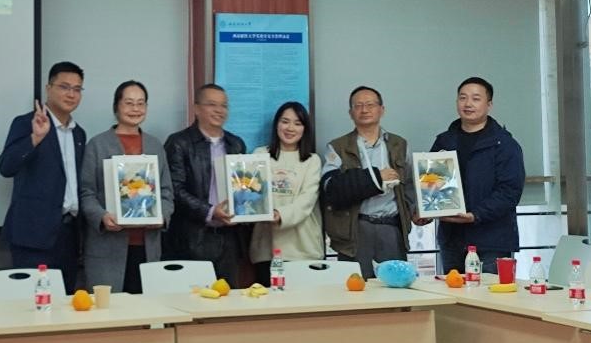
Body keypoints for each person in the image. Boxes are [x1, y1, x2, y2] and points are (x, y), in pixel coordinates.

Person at [0, 61, 86, 293]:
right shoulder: (26, 123)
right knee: (32, 302)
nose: (71, 94)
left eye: (77, 89)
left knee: (65, 303)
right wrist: (35, 139)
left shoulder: (79, 133)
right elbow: (6, 167)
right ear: (48, 88)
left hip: (69, 234)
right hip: (33, 235)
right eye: (64, 87)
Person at [79, 80, 174, 294]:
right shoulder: (97, 144)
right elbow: (86, 192)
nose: (135, 109)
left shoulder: (155, 145)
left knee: (146, 308)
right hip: (107, 247)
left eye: (141, 103)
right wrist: (102, 217)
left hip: (148, 246)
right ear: (116, 106)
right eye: (129, 103)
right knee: (109, 309)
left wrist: (163, 216)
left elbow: (167, 191)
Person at [428, 76, 526, 274]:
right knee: (452, 291)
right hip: (452, 239)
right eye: (462, 98)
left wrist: (476, 215)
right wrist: (425, 209)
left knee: (489, 293)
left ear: (489, 105)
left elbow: (509, 192)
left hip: (492, 241)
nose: (468, 104)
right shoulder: (444, 141)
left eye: (476, 98)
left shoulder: (504, 144)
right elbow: (432, 184)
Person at [320, 86, 417, 279]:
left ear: (382, 109)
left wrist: (416, 211)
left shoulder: (399, 144)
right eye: (358, 106)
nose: (364, 110)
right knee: (356, 287)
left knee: (395, 286)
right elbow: (330, 188)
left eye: (370, 105)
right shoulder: (338, 147)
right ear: (351, 113)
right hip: (355, 228)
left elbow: (409, 185)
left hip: (391, 227)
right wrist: (376, 178)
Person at [164, 83, 248, 284]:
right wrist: (210, 211)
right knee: (194, 297)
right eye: (212, 104)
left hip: (229, 239)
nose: (219, 110)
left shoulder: (236, 144)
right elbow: (174, 189)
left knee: (229, 298)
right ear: (196, 109)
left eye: (224, 105)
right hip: (192, 238)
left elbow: (244, 186)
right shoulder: (179, 143)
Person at [249, 101, 323, 284]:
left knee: (303, 300)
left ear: (305, 129)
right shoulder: (259, 154)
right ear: (276, 125)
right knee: (268, 299)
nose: (290, 128)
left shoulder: (312, 160)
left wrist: (279, 215)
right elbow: (251, 194)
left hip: (302, 247)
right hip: (266, 247)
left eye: (297, 123)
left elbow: (306, 201)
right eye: (285, 121)